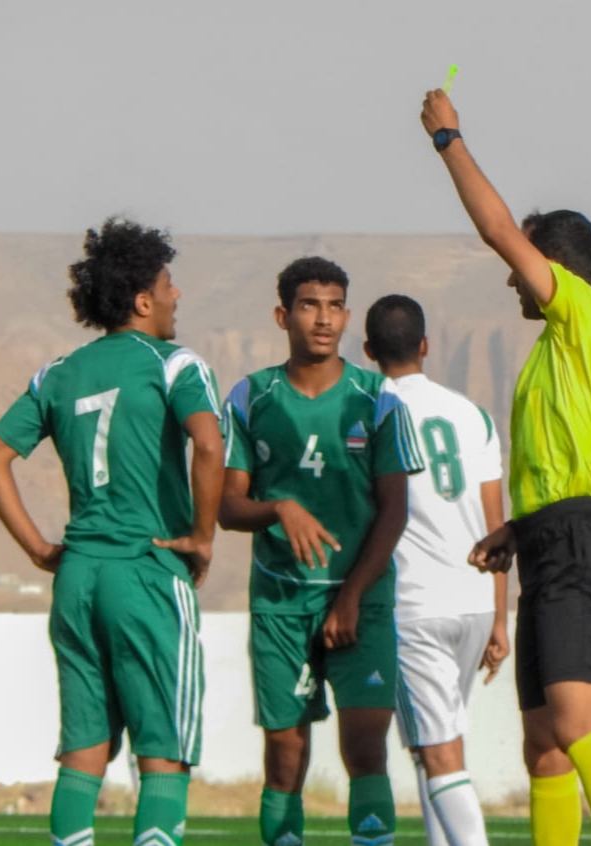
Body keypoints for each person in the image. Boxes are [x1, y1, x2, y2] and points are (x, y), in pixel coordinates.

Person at [421, 89, 591, 846]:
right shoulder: (567, 346)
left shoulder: (580, 310)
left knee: (579, 724)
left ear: (546, 265)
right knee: (544, 744)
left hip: (580, 540)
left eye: (523, 263)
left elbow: (493, 229)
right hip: (555, 536)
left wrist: (447, 137)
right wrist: (521, 525)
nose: (512, 277)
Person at [0, 218, 224, 846]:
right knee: (162, 752)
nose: (177, 296)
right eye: (169, 284)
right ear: (143, 301)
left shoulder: (58, 373)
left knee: (84, 750)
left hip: (78, 577)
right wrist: (201, 535)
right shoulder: (174, 364)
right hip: (145, 569)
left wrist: (38, 549)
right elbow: (209, 444)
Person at [219, 257, 424, 846]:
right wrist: (278, 507)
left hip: (362, 602)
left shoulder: (378, 398)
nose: (323, 318)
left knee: (364, 746)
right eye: (310, 305)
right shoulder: (250, 395)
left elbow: (394, 511)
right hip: (282, 602)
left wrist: (352, 596)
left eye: (335, 305)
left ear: (348, 315)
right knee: (285, 753)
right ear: (284, 315)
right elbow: (228, 507)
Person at [364, 294, 509, 846]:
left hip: (415, 604)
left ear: (369, 350)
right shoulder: (472, 414)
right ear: (425, 346)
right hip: (472, 602)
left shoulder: (371, 408)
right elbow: (496, 524)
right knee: (435, 746)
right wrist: (500, 617)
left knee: (438, 751)